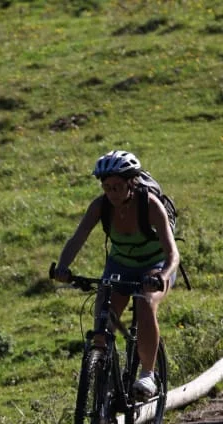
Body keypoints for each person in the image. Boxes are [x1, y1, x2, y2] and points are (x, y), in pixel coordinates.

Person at [51, 150, 179, 398]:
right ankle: (103, 386)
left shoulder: (150, 205)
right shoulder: (100, 206)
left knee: (145, 303)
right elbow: (77, 238)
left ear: (131, 182)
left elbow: (173, 253)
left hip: (154, 265)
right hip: (119, 267)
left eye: (118, 187)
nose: (112, 193)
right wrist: (62, 268)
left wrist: (163, 276)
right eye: (107, 187)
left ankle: (147, 375)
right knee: (102, 320)